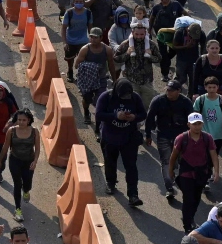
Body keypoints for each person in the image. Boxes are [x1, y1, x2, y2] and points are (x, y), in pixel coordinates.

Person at [96, 77, 146, 207]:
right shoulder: (106, 97)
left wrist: (134, 117)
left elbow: (143, 113)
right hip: (110, 137)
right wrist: (115, 116)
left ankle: (133, 195)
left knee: (131, 167)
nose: (126, 98)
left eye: (127, 96)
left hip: (128, 139)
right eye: (123, 96)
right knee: (110, 162)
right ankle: (111, 183)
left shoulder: (135, 98)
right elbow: (98, 115)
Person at [146, 79, 194, 198]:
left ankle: (180, 180)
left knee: (181, 161)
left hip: (181, 137)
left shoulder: (186, 102)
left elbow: (192, 121)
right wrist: (147, 135)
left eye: (171, 90)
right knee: (166, 161)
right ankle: (169, 188)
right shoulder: (158, 100)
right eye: (167, 89)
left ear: (179, 91)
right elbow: (150, 117)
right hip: (163, 135)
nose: (168, 92)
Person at [173, 112, 221, 232]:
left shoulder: (207, 138)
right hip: (186, 174)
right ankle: (187, 225)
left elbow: (213, 155)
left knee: (196, 198)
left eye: (199, 124)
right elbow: (173, 156)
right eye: (194, 124)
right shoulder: (182, 138)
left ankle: (190, 218)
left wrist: (216, 172)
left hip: (201, 174)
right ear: (189, 124)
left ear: (202, 124)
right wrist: (170, 172)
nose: (197, 126)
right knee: (188, 199)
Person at [0, 110, 40, 221]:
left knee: (27, 184)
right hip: (15, 160)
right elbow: (5, 146)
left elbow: (37, 148)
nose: (21, 122)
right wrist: (0, 161)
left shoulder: (35, 131)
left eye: (24, 120)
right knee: (17, 183)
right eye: (19, 120)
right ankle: (18, 209)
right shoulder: (11, 131)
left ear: (29, 120)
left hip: (29, 161)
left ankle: (26, 191)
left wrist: (35, 161)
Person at [74, 27, 117, 124]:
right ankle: (86, 113)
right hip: (87, 79)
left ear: (101, 37)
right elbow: (77, 65)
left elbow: (111, 65)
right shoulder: (85, 49)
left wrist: (115, 80)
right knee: (86, 99)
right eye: (91, 37)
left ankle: (99, 124)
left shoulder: (107, 50)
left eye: (95, 37)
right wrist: (91, 67)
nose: (93, 39)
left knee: (100, 101)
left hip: (101, 79)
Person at [192, 76, 222, 154]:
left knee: (215, 154)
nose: (211, 89)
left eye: (214, 87)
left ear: (217, 87)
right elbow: (196, 116)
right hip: (203, 134)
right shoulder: (200, 100)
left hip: (219, 135)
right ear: (205, 87)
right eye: (209, 87)